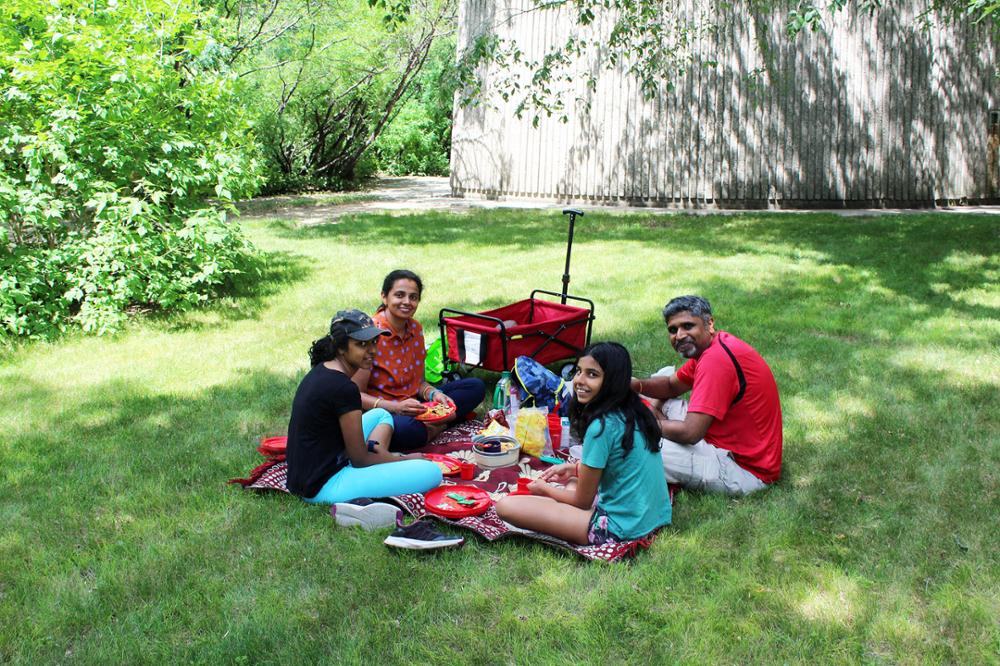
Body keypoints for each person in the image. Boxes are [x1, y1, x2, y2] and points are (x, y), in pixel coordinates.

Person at [495, 342, 671, 545]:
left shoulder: (601, 427)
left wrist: (546, 490)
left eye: (592, 374)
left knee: (506, 506)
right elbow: (621, 464)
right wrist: (576, 468)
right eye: (579, 371)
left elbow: (582, 501)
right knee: (571, 482)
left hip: (620, 529)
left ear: (612, 380)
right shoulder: (634, 410)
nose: (579, 380)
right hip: (653, 517)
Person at [285, 309, 443, 516]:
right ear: (341, 347)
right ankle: (382, 459)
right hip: (323, 485)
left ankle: (379, 457)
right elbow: (359, 459)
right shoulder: (344, 388)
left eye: (374, 342)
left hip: (305, 473)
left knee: (382, 415)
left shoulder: (323, 369)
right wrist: (403, 459)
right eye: (361, 344)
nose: (372, 350)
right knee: (431, 472)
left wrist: (380, 457)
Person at [632, 295, 783, 496]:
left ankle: (642, 421)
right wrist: (634, 385)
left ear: (709, 323)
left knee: (631, 442)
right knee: (661, 379)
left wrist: (643, 420)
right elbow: (670, 385)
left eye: (688, 326)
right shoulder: (713, 346)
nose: (679, 335)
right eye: (673, 329)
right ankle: (649, 416)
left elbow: (690, 433)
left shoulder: (715, 361)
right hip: (719, 438)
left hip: (745, 470)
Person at [352, 269, 486, 451]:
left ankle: (433, 425)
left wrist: (434, 394)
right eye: (400, 295)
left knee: (475, 386)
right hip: (384, 413)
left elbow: (419, 383)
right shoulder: (371, 334)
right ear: (384, 297)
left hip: (415, 406)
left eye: (413, 297)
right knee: (408, 430)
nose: (407, 302)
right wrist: (396, 407)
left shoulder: (415, 328)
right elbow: (354, 396)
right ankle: (440, 425)